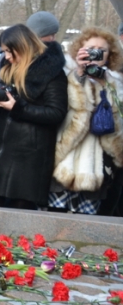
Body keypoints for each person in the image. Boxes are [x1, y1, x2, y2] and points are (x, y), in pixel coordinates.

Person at [0, 24, 68, 210]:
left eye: (10, 52)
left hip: (30, 157)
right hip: (1, 152)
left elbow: (56, 113)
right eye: (4, 52)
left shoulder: (52, 72)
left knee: (20, 212)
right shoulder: (10, 68)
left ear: (23, 46)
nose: (7, 57)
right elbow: (9, 104)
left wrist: (18, 108)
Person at [50, 27, 123, 215]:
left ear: (110, 55)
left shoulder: (114, 83)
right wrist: (79, 75)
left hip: (96, 166)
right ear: (79, 50)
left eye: (102, 50)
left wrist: (104, 85)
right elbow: (63, 108)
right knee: (53, 220)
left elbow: (118, 122)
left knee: (86, 223)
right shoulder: (64, 74)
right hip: (64, 160)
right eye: (91, 48)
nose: (96, 53)